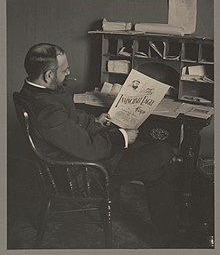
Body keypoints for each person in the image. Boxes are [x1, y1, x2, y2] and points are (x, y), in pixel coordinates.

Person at [17, 43, 181, 248]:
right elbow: (90, 150)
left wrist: (96, 121)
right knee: (162, 151)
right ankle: (170, 237)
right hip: (82, 173)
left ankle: (169, 236)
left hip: (79, 161)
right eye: (64, 70)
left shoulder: (34, 93)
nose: (68, 72)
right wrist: (122, 137)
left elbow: (70, 121)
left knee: (157, 170)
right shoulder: (47, 110)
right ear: (49, 75)